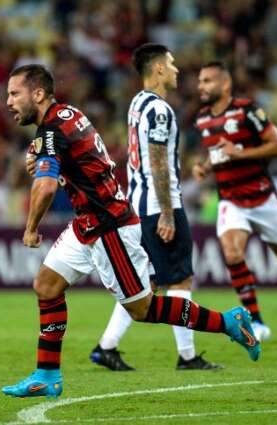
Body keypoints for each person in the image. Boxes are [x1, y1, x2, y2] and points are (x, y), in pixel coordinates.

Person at [1, 64, 260, 399]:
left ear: (37, 94)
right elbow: (68, 157)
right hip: (87, 223)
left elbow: (47, 186)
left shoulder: (50, 131)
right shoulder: (66, 115)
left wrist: (31, 227)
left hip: (109, 226)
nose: (8, 101)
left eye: (14, 93)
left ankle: (228, 322)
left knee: (143, 309)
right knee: (47, 286)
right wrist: (42, 154)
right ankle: (47, 374)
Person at [88, 43, 220, 372]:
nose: (177, 70)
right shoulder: (159, 110)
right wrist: (166, 213)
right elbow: (158, 163)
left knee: (148, 284)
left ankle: (106, 347)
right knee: (180, 281)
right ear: (159, 68)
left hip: (137, 204)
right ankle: (187, 357)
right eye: (172, 64)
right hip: (159, 205)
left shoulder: (137, 103)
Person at [192, 62, 277, 342]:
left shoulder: (247, 111)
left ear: (225, 84)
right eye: (200, 81)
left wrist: (239, 153)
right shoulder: (202, 119)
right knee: (231, 254)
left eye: (207, 81)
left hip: (262, 197)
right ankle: (257, 320)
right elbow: (219, 153)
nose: (200, 86)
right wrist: (204, 167)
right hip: (230, 200)